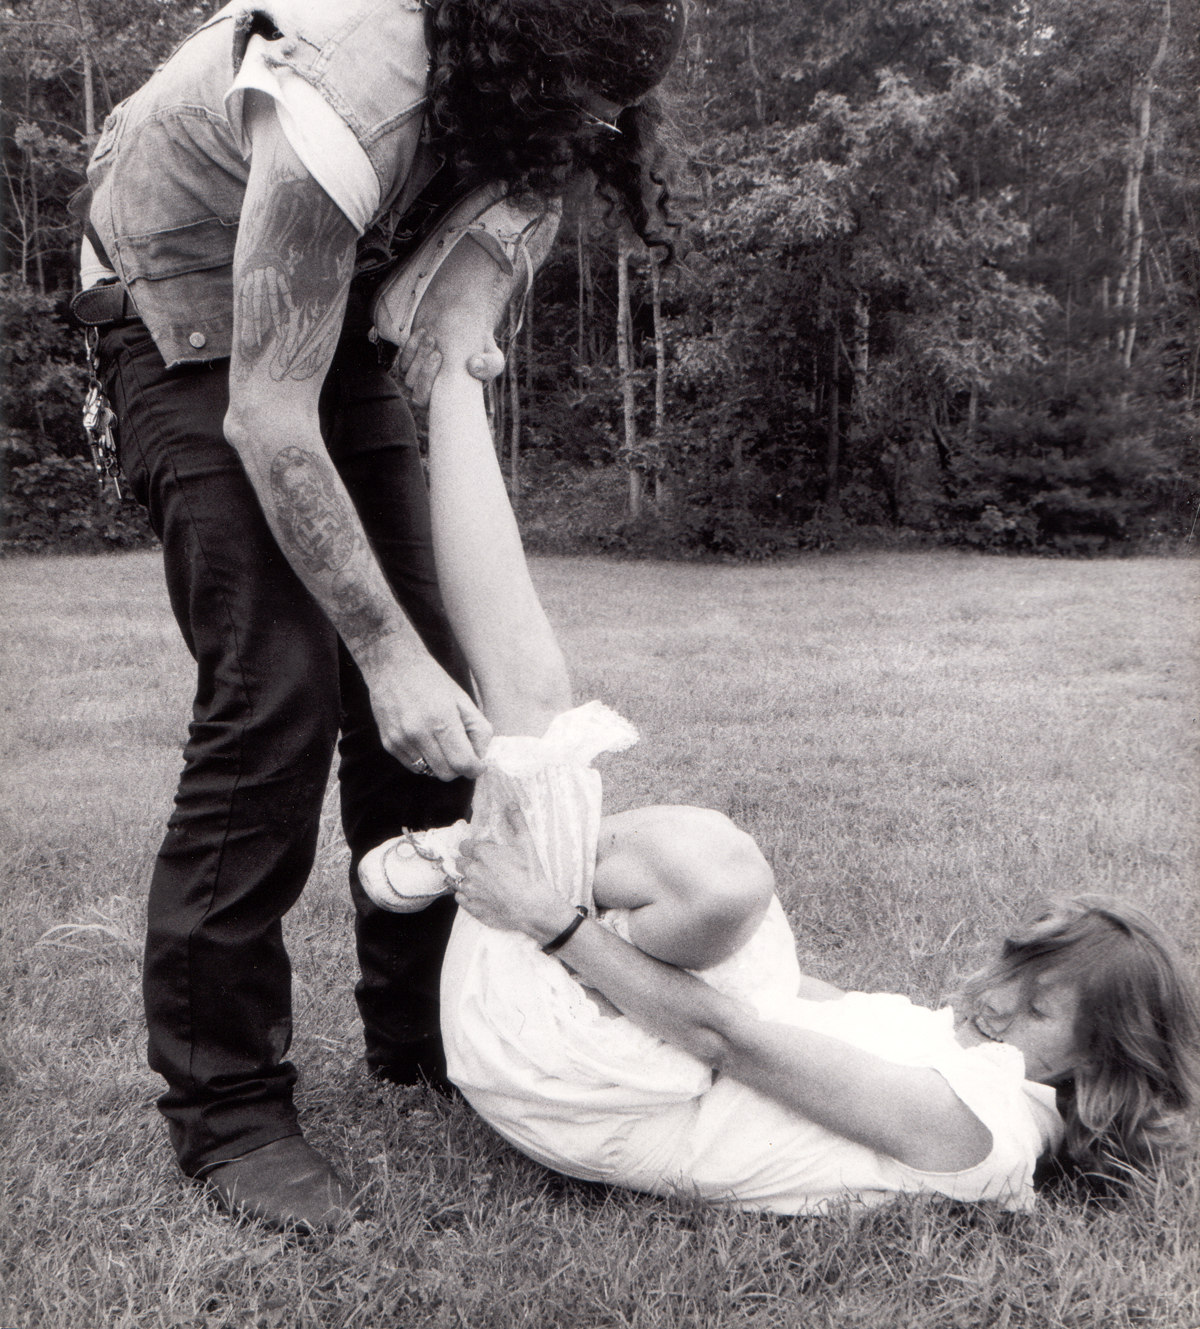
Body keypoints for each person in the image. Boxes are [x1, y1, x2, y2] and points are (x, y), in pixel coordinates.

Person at [72, 0, 688, 1230]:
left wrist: (462, 676)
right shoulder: (352, 81)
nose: (596, 130)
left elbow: (440, 338)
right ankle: (228, 1110)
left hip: (327, 329)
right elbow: (264, 417)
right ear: (509, 53)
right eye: (579, 98)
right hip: (176, 324)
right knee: (283, 684)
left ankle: (424, 1039)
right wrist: (384, 655)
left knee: (433, 696)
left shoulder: (527, 115)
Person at [358, 291, 1200, 1217]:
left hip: (577, 1083)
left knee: (554, 719)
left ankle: (453, 369)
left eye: (1039, 1010)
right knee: (719, 888)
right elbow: (789, 996)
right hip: (638, 1040)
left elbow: (730, 1040)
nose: (995, 1001)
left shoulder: (984, 1132)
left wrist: (548, 920)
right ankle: (484, 842)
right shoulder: (956, 1045)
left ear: (1104, 1067)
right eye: (1012, 974)